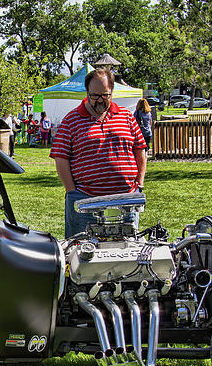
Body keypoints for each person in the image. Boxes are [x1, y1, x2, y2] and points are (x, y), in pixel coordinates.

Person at [50, 67, 147, 238]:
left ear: (112, 92)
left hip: (126, 199)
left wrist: (139, 182)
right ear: (87, 92)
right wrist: (71, 191)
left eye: (105, 95)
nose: (100, 100)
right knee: (82, 252)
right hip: (85, 200)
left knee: (128, 252)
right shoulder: (71, 120)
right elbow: (60, 157)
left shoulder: (126, 116)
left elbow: (140, 149)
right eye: (94, 95)